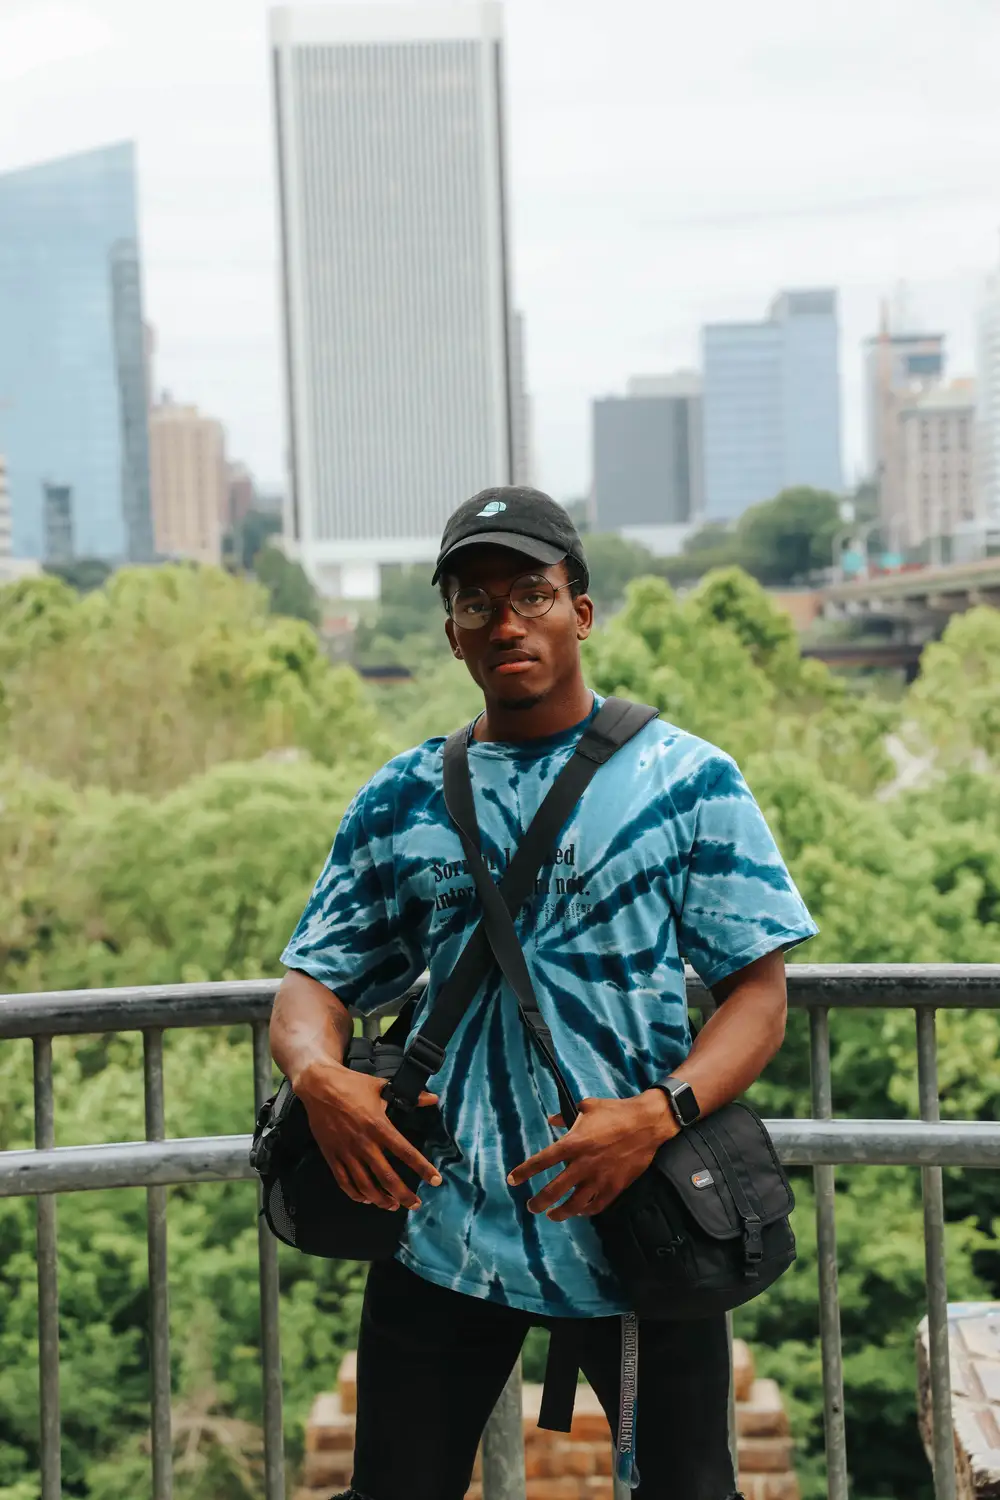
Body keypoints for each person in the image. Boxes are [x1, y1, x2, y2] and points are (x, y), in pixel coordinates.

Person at [271, 486, 818, 1500]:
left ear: (582, 609)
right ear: (450, 633)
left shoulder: (686, 780)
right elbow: (314, 979)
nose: (505, 621)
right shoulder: (402, 797)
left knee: (691, 1491)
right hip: (443, 1229)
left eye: (530, 592)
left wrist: (656, 1117)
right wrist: (316, 1075)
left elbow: (757, 995)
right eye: (476, 603)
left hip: (641, 1225)